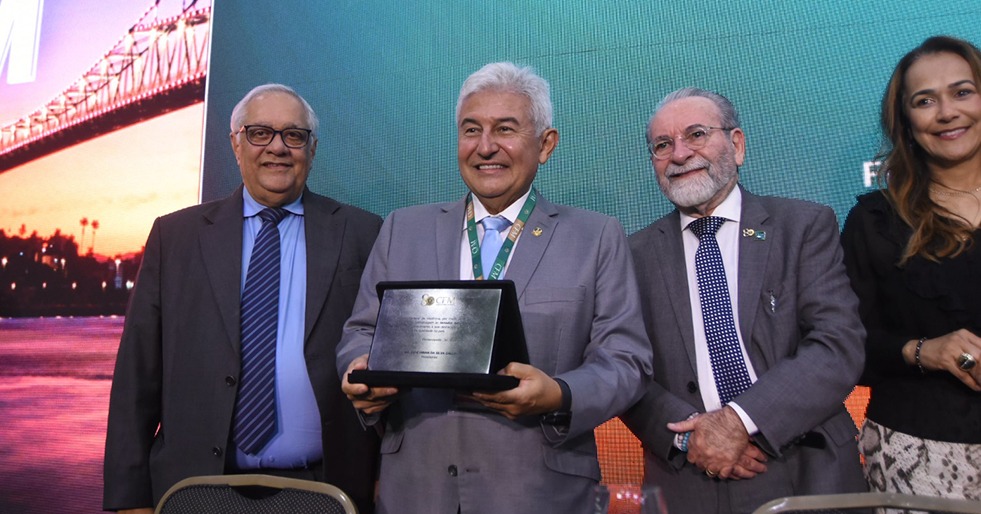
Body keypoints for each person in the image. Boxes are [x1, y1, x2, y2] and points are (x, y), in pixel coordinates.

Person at [336, 62, 653, 514]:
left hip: (540, 494)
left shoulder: (596, 237)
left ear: (546, 144)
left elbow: (626, 360)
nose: (485, 147)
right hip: (416, 490)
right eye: (471, 130)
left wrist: (559, 394)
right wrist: (358, 367)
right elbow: (360, 332)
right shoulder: (402, 229)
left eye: (505, 129)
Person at [103, 84, 382, 513]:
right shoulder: (175, 237)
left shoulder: (364, 232)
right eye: (259, 133)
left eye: (294, 135)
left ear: (312, 149)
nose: (278, 147)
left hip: (326, 490)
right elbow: (136, 377)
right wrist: (130, 499)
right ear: (235, 144)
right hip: (195, 490)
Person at [620, 87, 867, 513]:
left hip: (806, 466)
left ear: (736, 145)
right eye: (662, 145)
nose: (679, 154)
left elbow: (837, 344)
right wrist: (692, 438)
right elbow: (624, 368)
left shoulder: (803, 226)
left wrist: (738, 420)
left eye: (696, 135)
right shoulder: (631, 254)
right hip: (688, 476)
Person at [841, 35, 981, 501]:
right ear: (905, 122)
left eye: (963, 92)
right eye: (925, 101)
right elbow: (847, 346)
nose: (947, 112)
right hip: (919, 460)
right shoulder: (874, 222)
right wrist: (924, 351)